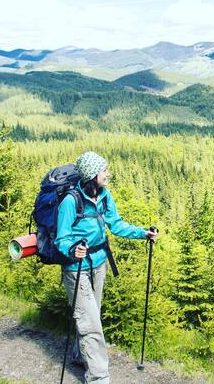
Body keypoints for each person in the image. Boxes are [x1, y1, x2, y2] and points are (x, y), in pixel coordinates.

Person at [55, 151, 158, 384]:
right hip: (76, 268)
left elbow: (116, 224)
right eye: (104, 170)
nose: (108, 173)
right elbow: (61, 238)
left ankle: (80, 356)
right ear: (92, 175)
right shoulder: (71, 201)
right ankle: (99, 377)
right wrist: (73, 249)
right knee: (90, 322)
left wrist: (143, 234)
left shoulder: (104, 196)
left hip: (99, 264)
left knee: (92, 315)